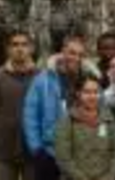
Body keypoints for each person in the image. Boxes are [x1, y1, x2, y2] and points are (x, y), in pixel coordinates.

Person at [23, 36, 95, 180]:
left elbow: (100, 112)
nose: (76, 58)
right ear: (63, 52)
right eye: (72, 53)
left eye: (80, 55)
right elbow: (30, 115)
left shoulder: (89, 80)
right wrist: (36, 149)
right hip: (49, 153)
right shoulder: (42, 80)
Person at [0, 30, 37, 180]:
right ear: (8, 49)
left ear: (31, 48)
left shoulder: (41, 77)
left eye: (24, 44)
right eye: (15, 45)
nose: (20, 49)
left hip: (33, 148)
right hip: (3, 149)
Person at [55, 75, 115, 180]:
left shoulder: (108, 117)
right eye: (87, 92)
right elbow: (63, 157)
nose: (92, 96)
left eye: (96, 92)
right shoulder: (67, 120)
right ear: (78, 93)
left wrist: (109, 177)